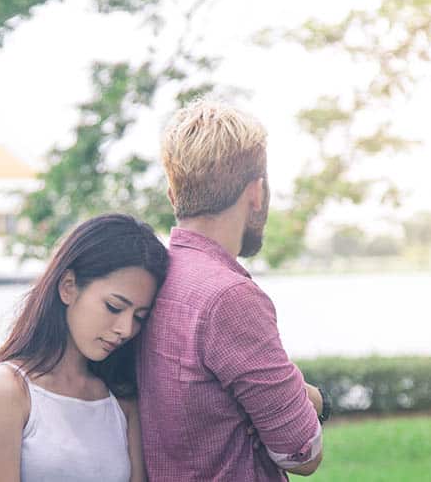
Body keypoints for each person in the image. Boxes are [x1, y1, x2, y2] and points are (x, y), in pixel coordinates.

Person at [138, 100, 329, 481]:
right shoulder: (229, 297)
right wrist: (314, 400)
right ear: (256, 192)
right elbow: (301, 452)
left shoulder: (152, 276)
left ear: (173, 195)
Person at [0, 213, 168, 482]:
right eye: (114, 307)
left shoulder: (121, 398)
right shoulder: (8, 391)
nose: (126, 329)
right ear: (68, 287)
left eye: (139, 317)